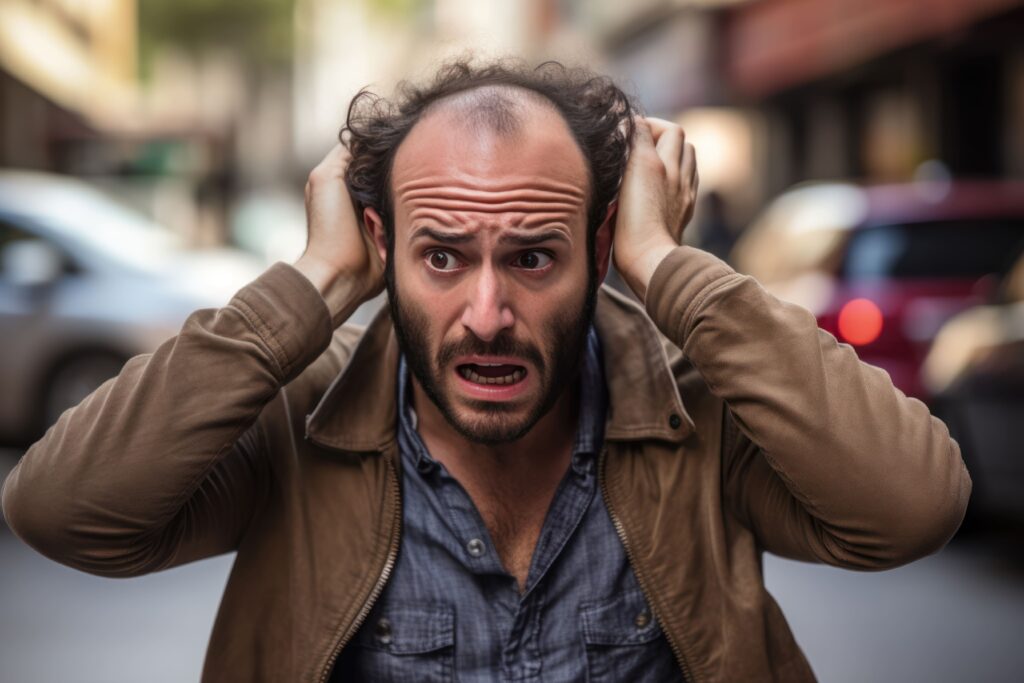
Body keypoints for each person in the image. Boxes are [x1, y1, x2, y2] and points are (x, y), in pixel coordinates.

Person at [1, 60, 971, 682]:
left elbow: (912, 504)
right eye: (442, 255)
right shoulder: (301, 417)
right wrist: (311, 282)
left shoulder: (694, 415)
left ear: (600, 246)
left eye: (534, 257)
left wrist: (673, 270)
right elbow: (62, 508)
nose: (487, 314)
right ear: (380, 244)